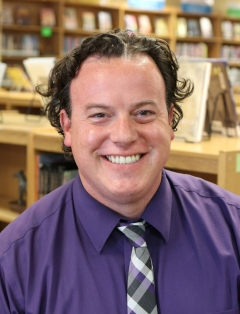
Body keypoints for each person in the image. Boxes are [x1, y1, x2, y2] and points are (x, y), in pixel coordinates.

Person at [0, 28, 240, 314]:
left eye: (144, 113)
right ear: (68, 126)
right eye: (100, 115)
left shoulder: (233, 230)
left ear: (170, 119)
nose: (124, 136)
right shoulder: (13, 262)